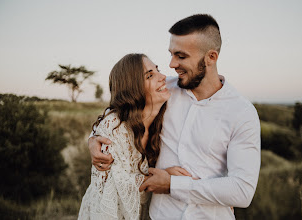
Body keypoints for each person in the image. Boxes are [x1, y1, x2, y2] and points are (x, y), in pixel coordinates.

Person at [89, 14, 261, 220]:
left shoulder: (241, 112)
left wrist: (172, 184)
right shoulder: (163, 90)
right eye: (171, 54)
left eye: (181, 56)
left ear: (211, 57)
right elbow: (122, 110)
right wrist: (93, 140)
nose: (171, 64)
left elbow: (242, 191)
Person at [78, 53, 171, 220]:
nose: (163, 77)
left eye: (158, 70)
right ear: (133, 89)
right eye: (150, 75)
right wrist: (164, 177)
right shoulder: (114, 128)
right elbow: (110, 191)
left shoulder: (163, 117)